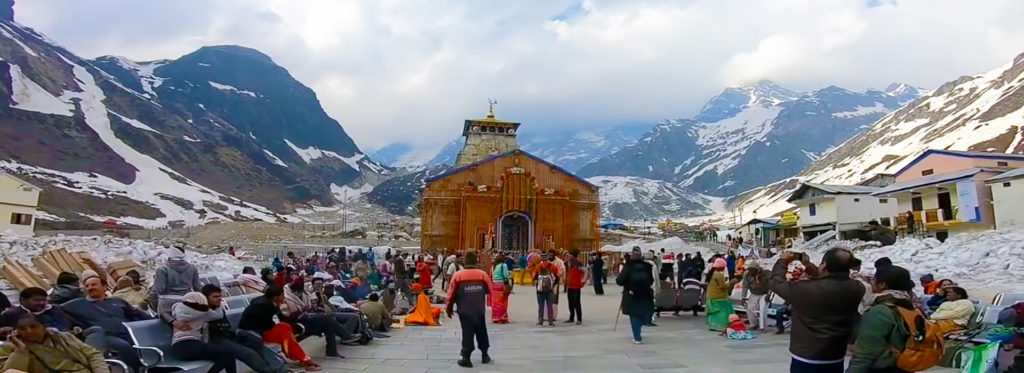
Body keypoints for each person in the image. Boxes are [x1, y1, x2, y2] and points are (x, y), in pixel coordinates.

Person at [769, 249, 864, 373]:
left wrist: (783, 261)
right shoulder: (857, 288)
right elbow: (830, 280)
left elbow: (776, 282)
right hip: (836, 354)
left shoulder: (805, 289)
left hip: (806, 356)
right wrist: (808, 265)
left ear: (824, 265)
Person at [62, 272, 153, 371]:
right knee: (124, 346)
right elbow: (53, 308)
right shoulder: (77, 305)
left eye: (93, 284)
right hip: (107, 337)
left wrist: (156, 321)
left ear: (104, 287)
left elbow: (137, 313)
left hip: (129, 333)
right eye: (87, 286)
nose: (90, 288)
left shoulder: (117, 301)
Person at [847, 265, 918, 373]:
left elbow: (865, 353)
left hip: (883, 368)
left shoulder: (879, 312)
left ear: (882, 285)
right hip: (905, 366)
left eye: (873, 280)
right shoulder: (910, 308)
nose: (871, 283)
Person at [238, 284, 322, 371]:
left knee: (286, 328)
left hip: (258, 329)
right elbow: (268, 325)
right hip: (253, 333)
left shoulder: (264, 301)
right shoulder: (266, 306)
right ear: (275, 297)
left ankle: (299, 356)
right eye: (282, 295)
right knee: (285, 332)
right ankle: (303, 359)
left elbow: (271, 322)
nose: (283, 297)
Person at [0, 315, 109, 373]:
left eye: (33, 326)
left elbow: (92, 355)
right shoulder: (9, 349)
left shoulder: (63, 337)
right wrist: (20, 351)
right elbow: (10, 372)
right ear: (17, 331)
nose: (29, 331)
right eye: (23, 329)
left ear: (43, 326)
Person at [0, 288, 97, 346]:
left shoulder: (54, 309)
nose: (41, 303)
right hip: (45, 344)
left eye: (43, 300)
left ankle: (97, 355)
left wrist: (76, 327)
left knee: (95, 330)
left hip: (71, 338)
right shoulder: (13, 314)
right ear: (23, 300)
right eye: (37, 300)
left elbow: (73, 322)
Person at [445, 252, 494, 368]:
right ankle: (485, 354)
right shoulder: (482, 275)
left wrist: (449, 308)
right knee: (481, 330)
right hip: (479, 309)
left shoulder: (458, 275)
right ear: (476, 261)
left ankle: (466, 357)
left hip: (464, 310)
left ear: (465, 262)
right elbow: (489, 290)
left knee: (467, 332)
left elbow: (450, 294)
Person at [170, 292, 239, 373]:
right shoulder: (203, 313)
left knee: (226, 355)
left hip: (178, 347)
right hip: (191, 345)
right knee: (229, 354)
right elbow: (219, 315)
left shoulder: (177, 308)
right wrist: (219, 305)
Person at [616, 251, 654, 344]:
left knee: (634, 315)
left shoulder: (628, 266)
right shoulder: (647, 266)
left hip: (631, 294)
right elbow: (651, 280)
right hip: (645, 294)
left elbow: (620, 281)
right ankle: (639, 328)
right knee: (641, 313)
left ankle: (637, 336)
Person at [149, 247, 202, 312]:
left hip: (167, 303)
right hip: (187, 302)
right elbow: (198, 288)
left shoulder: (163, 269)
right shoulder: (192, 268)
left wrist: (156, 307)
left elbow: (157, 290)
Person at [707, 258, 738, 331]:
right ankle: (721, 326)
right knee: (723, 312)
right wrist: (731, 283)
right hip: (720, 297)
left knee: (714, 314)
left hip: (712, 296)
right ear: (721, 267)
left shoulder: (712, 273)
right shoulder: (719, 275)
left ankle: (713, 325)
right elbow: (723, 286)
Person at [741, 261, 770, 330]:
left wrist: (769, 294)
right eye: (750, 270)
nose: (751, 272)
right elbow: (745, 286)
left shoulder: (765, 274)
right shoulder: (747, 275)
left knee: (762, 308)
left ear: (757, 270)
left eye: (752, 270)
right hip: (754, 293)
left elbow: (771, 285)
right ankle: (754, 324)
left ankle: (762, 326)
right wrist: (743, 297)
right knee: (750, 308)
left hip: (764, 293)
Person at [533, 255, 559, 327]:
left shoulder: (538, 267)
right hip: (550, 290)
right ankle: (550, 322)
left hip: (540, 290)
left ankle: (540, 321)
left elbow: (534, 278)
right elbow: (557, 278)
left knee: (541, 306)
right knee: (550, 306)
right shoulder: (553, 266)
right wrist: (552, 285)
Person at [564, 250, 588, 325]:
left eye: (569, 255)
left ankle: (579, 319)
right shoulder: (568, 262)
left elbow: (586, 271)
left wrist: (582, 281)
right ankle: (571, 317)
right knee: (570, 302)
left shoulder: (577, 263)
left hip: (576, 285)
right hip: (570, 285)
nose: (567, 256)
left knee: (576, 302)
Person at [491, 253, 512, 324]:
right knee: (503, 302)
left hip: (494, 285)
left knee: (496, 303)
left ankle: (495, 317)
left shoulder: (493, 266)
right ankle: (502, 318)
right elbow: (506, 276)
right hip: (501, 285)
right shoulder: (503, 265)